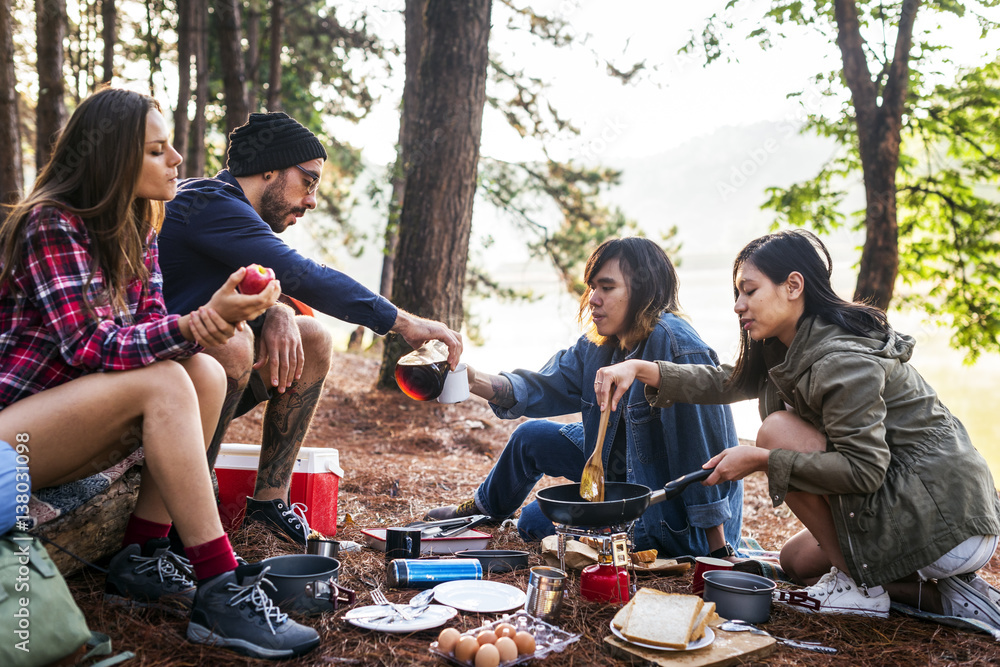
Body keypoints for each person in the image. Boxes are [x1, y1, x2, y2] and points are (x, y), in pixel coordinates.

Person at [0, 87, 319, 659]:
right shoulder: (52, 224)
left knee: (203, 372)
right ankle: (220, 590)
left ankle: (141, 556)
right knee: (172, 376)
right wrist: (202, 321)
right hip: (11, 437)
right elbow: (91, 347)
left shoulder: (139, 230)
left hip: (65, 424)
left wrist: (229, 317)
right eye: (156, 150)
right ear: (110, 160)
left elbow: (154, 333)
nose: (176, 160)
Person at [595, 228, 1000, 622]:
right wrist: (639, 368)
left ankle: (864, 589)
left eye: (749, 290)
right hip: (908, 502)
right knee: (796, 562)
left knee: (775, 433)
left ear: (793, 285)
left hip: (945, 516)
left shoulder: (840, 359)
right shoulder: (786, 346)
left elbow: (864, 470)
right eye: (737, 293)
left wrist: (762, 460)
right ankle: (945, 597)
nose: (738, 305)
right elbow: (725, 381)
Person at [158, 112, 463, 544]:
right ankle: (192, 501)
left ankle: (269, 505)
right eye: (309, 181)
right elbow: (304, 274)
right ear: (270, 169)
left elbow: (270, 281)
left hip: (187, 368)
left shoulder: (228, 211)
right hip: (154, 371)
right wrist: (404, 323)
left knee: (313, 338)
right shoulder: (209, 203)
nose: (312, 199)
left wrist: (278, 310)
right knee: (234, 343)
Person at [426, 237, 743, 558]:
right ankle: (483, 510)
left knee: (534, 521)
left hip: (666, 518)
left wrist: (715, 551)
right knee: (530, 436)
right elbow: (538, 388)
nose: (593, 299)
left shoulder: (675, 345)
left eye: (607, 288)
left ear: (644, 291)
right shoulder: (599, 344)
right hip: (611, 470)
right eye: (592, 287)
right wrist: (473, 379)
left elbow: (702, 452)